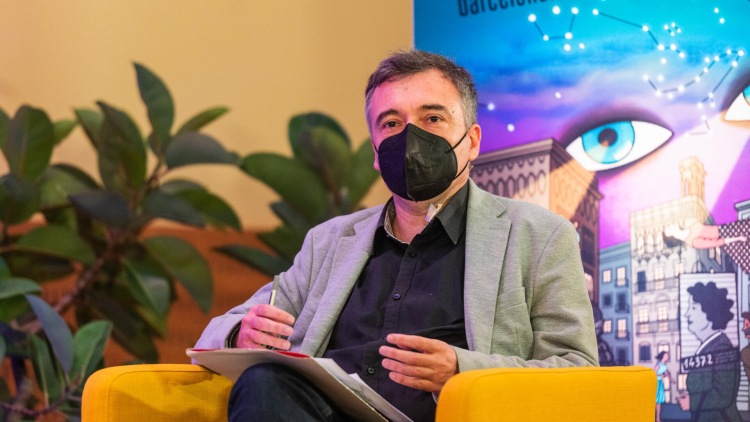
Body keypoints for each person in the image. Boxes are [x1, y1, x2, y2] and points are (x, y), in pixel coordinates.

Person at [195, 50, 599, 422]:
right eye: (391, 124)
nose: (411, 138)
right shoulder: (329, 242)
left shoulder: (539, 236)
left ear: (472, 141)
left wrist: (462, 371)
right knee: (264, 383)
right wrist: (242, 333)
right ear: (375, 153)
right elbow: (219, 331)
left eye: (432, 119)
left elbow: (577, 370)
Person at [677, 282, 741, 422]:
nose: (687, 314)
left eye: (694, 307)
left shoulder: (722, 348)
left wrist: (692, 402)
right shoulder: (707, 349)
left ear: (710, 311)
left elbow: (724, 395)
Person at [654, 351, 674, 422]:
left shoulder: (664, 366)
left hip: (660, 383)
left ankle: (658, 418)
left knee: (659, 401)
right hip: (655, 383)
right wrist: (661, 375)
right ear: (663, 356)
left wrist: (671, 379)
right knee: (655, 400)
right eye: (666, 355)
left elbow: (667, 374)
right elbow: (653, 374)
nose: (668, 357)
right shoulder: (658, 365)